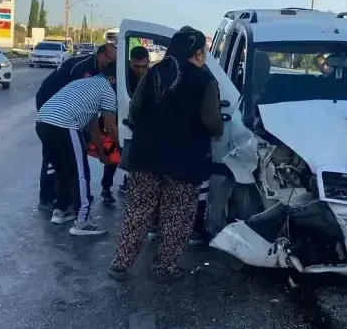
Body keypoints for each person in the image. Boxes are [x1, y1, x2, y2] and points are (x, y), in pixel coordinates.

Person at [109, 28, 223, 282]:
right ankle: (164, 269)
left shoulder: (153, 73)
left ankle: (120, 265)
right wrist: (216, 131)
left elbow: (135, 110)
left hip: (145, 156)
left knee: (137, 212)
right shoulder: (205, 80)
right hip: (184, 162)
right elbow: (212, 121)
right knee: (177, 216)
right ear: (198, 52)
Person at [36, 62, 119, 236]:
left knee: (62, 169)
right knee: (80, 173)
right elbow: (110, 127)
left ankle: (61, 210)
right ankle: (82, 221)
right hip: (64, 125)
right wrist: (123, 147)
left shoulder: (82, 82)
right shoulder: (108, 91)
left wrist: (101, 153)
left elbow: (93, 126)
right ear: (113, 78)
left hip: (42, 122)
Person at [113, 46, 151, 199]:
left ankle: (130, 180)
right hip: (125, 120)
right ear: (130, 63)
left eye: (144, 66)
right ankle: (107, 187)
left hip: (143, 123)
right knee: (116, 156)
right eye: (136, 66)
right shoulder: (124, 76)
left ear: (149, 62)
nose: (140, 70)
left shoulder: (153, 76)